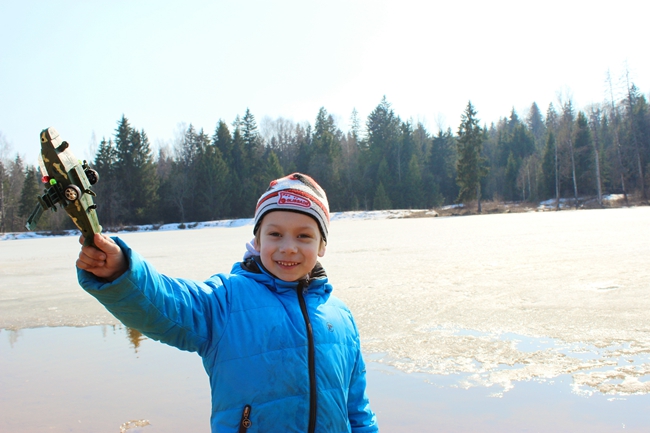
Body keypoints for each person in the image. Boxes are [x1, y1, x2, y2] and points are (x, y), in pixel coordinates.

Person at [76, 173, 379, 433]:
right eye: (275, 234)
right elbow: (166, 303)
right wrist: (123, 272)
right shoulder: (226, 300)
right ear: (257, 241)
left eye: (304, 236)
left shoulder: (339, 316)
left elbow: (357, 408)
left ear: (322, 245)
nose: (289, 248)